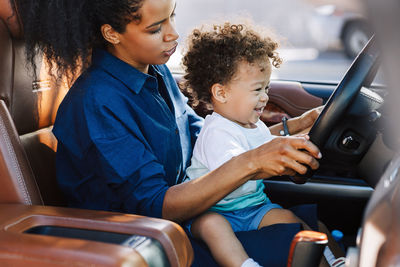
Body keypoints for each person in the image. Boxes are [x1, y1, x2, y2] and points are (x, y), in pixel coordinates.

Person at [13, 0, 339, 265]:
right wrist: (254, 162)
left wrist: (290, 128)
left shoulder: (156, 71)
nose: (173, 35)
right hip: (149, 241)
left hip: (193, 213)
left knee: (313, 227)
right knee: (300, 245)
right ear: (112, 33)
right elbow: (156, 205)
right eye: (156, 28)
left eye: (171, 17)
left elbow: (205, 140)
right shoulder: (98, 102)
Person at [181, 22, 343, 267]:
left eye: (266, 87)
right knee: (214, 228)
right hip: (212, 210)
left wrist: (300, 132)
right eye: (257, 89)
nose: (265, 97)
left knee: (294, 221)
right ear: (222, 93)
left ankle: (336, 262)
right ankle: (244, 264)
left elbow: (266, 145)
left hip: (253, 208)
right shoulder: (216, 132)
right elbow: (239, 166)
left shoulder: (251, 123)